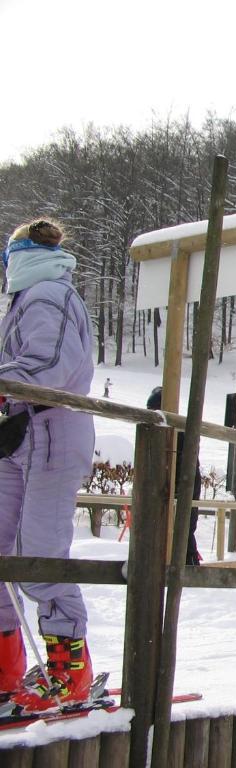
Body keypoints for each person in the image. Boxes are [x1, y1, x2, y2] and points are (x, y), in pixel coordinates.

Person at [0, 219, 96, 710]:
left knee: (38, 555)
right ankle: (6, 665)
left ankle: (69, 670)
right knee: (2, 553)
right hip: (20, 434)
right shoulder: (27, 298)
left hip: (53, 431)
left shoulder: (47, 295)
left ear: (18, 255)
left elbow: (49, 366)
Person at [146, 387, 202, 567]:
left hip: (183, 486)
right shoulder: (156, 431)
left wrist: (176, 491)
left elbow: (185, 464)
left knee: (184, 529)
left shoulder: (179, 431)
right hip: (171, 488)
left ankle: (188, 566)